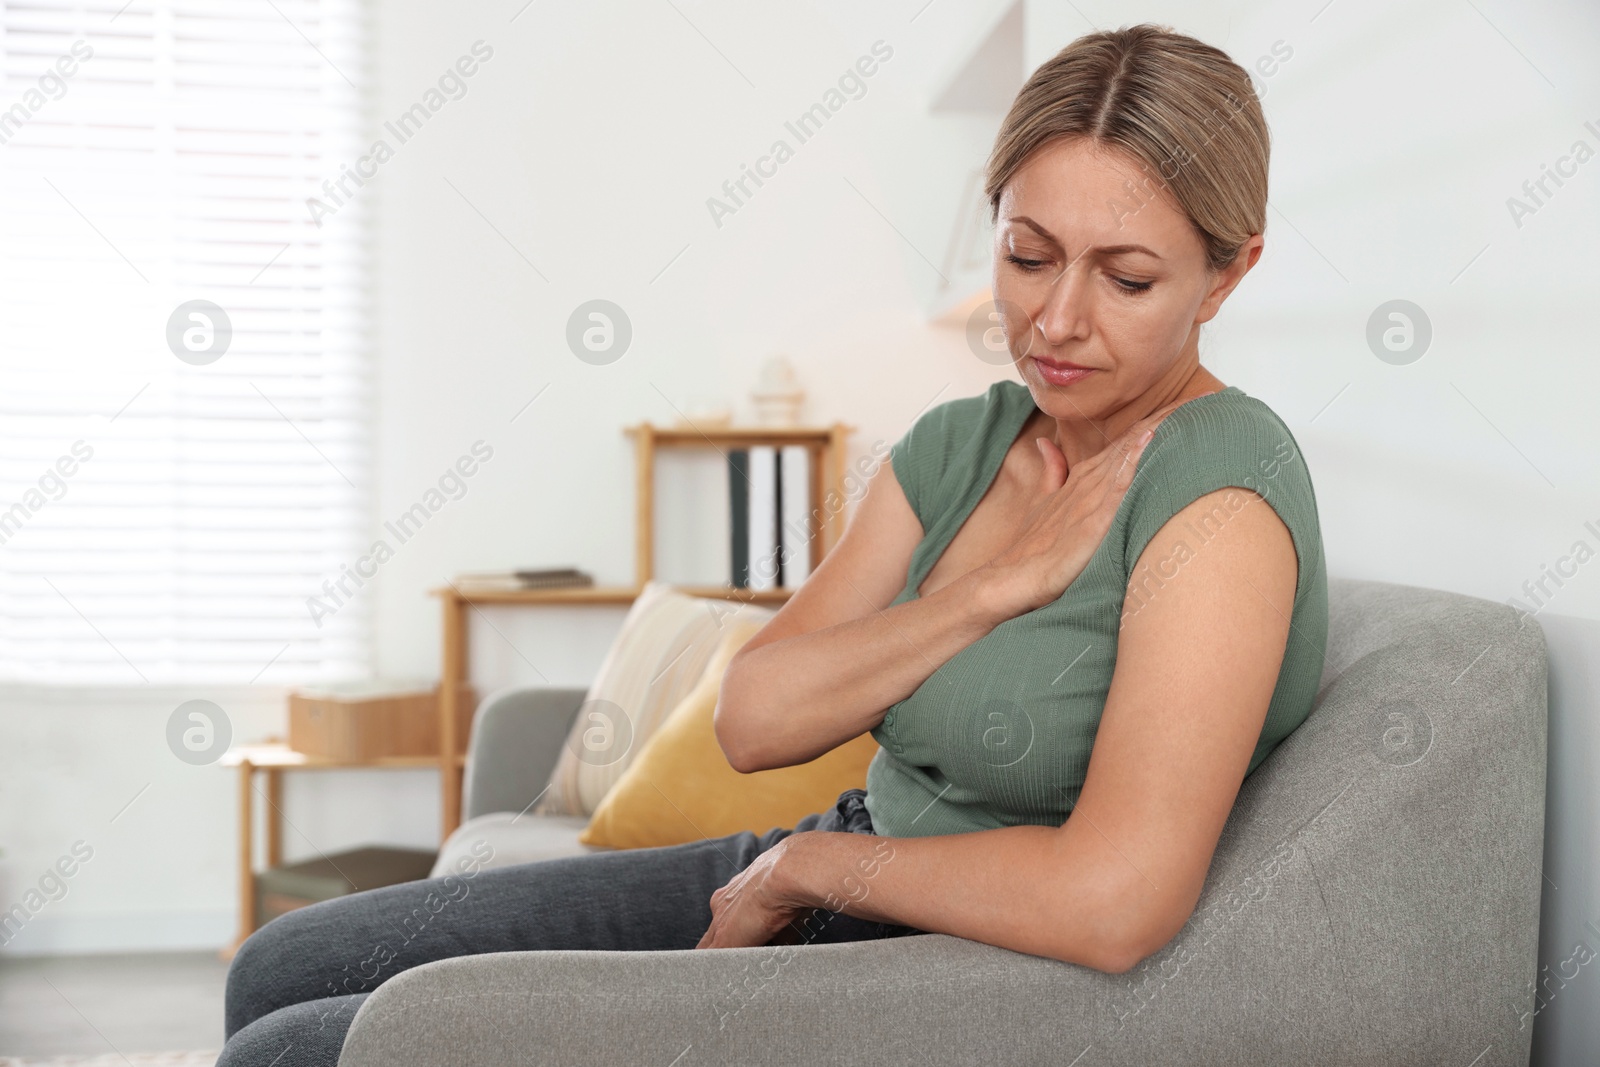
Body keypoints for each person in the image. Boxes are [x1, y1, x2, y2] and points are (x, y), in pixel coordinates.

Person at [219, 23, 1326, 1065]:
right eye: (1029, 255)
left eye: (1125, 278)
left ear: (1227, 274)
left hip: (935, 942)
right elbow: (752, 718)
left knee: (294, 1050)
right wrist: (988, 588)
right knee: (284, 961)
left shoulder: (1217, 486)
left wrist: (813, 864)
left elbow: (1117, 900)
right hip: (832, 853)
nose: (1055, 320)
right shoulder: (962, 442)